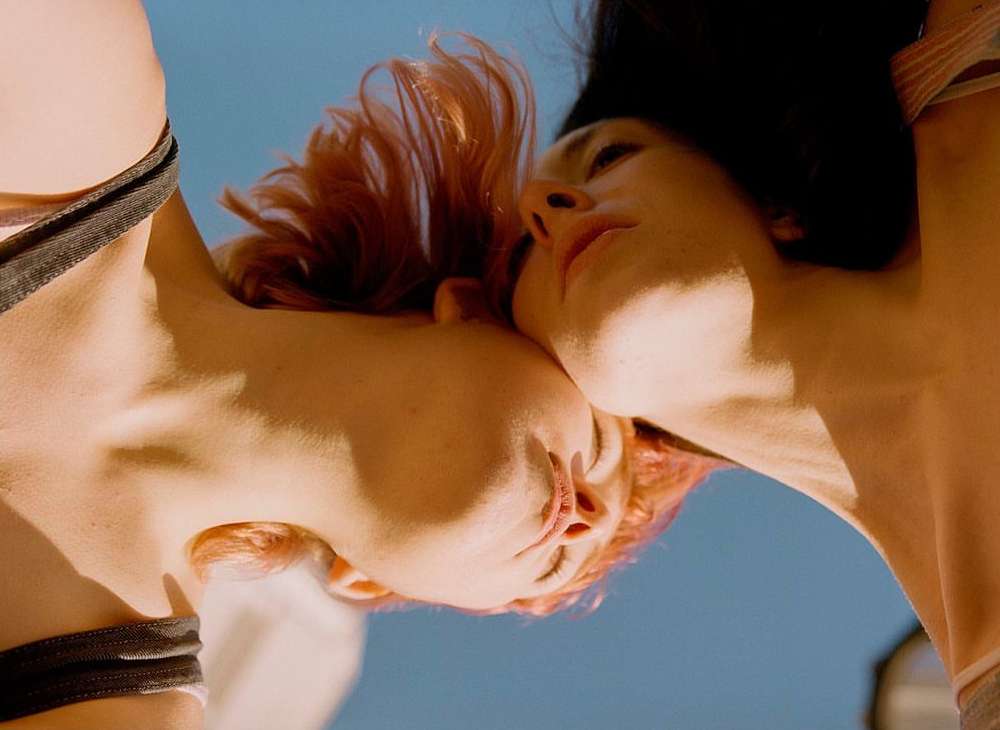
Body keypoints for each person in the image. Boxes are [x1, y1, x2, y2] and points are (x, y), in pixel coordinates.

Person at [0, 3, 724, 725]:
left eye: (551, 568)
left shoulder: (111, 707)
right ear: (470, 309)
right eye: (598, 445)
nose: (585, 520)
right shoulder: (78, 97)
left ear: (367, 583)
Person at [500, 0, 1000, 723]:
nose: (544, 205)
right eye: (522, 252)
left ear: (774, 203)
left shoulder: (972, 74)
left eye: (610, 156)